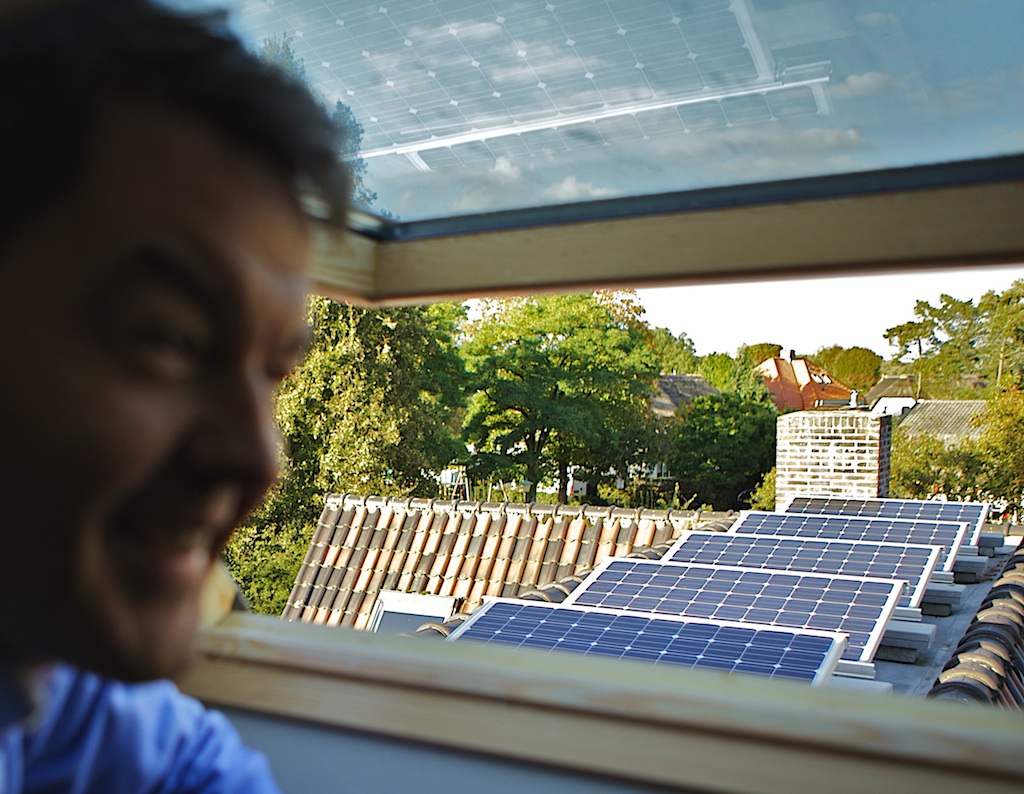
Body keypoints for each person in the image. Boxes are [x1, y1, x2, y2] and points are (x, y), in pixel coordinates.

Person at [0, 0, 351, 789]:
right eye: (168, 339)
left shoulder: (39, 666)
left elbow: (191, 767)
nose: (261, 458)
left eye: (274, 373)